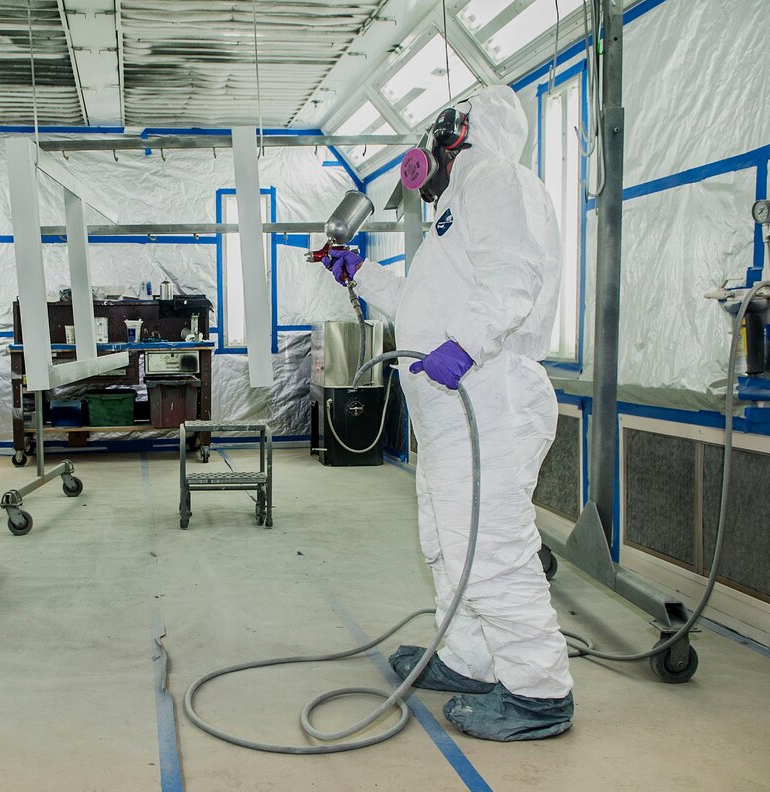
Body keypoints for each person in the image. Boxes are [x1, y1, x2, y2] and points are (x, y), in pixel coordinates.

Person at [321, 85, 574, 742]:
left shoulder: (493, 178)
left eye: (432, 136)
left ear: (455, 133)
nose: (422, 156)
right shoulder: (454, 210)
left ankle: (538, 690)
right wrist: (360, 273)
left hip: (487, 396)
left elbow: (514, 276)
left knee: (491, 547)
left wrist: (465, 345)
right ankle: (467, 659)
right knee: (447, 541)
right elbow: (422, 303)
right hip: (450, 412)